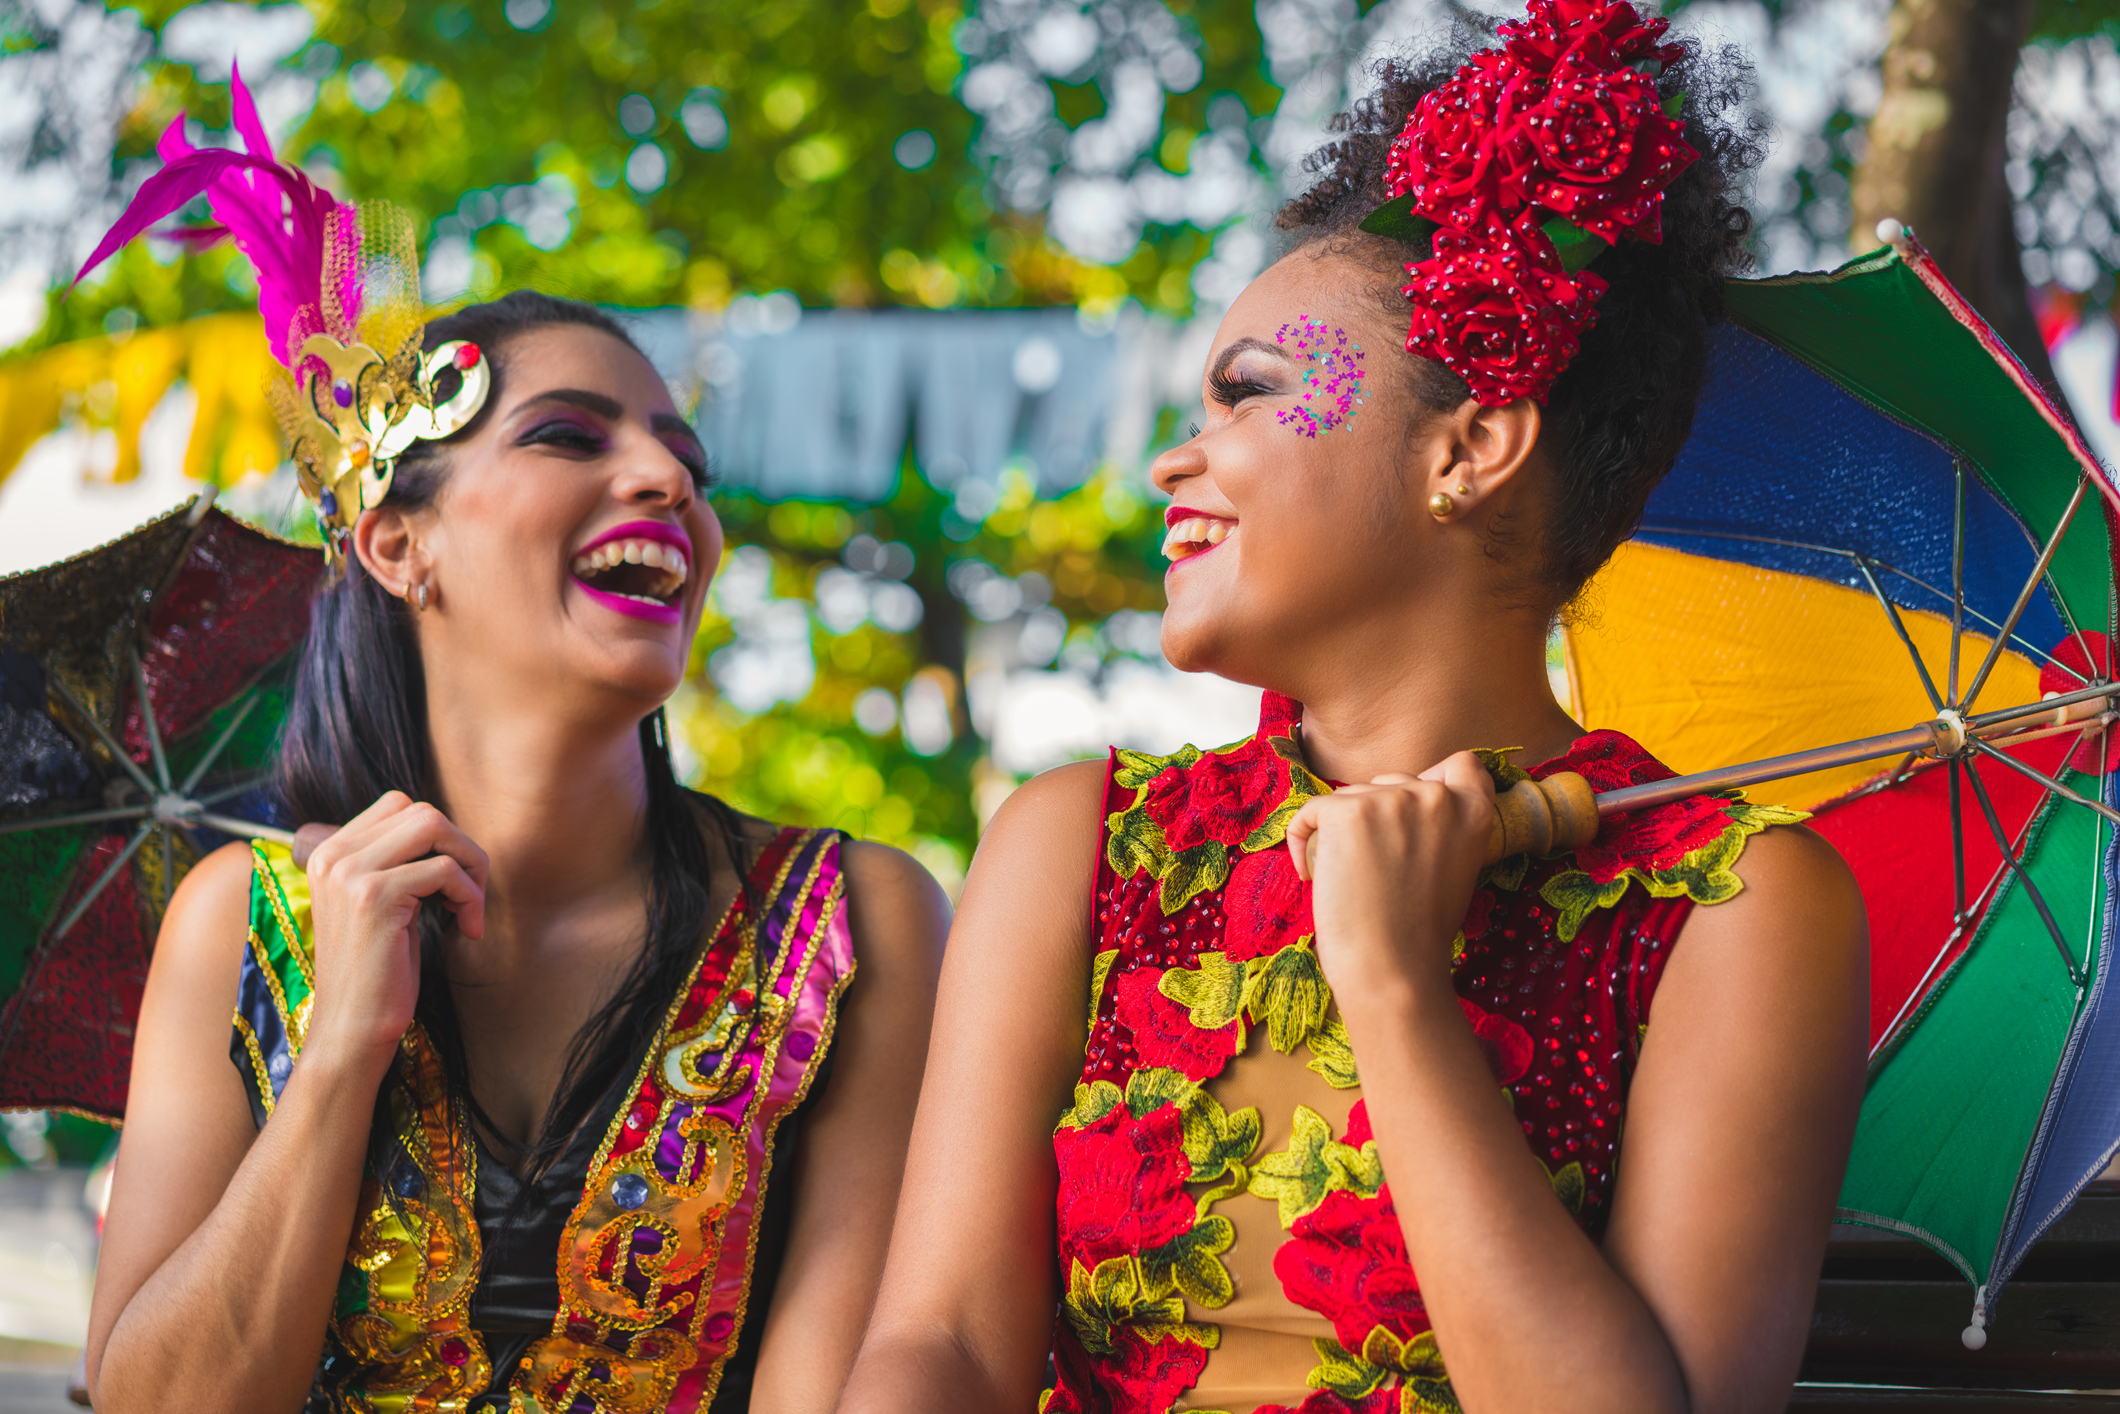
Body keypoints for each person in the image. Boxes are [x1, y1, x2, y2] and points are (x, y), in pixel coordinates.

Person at [842, 5, 1869, 1412]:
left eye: (1249, 396)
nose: (1171, 463)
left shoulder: (1739, 903)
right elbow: (942, 1342)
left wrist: (1390, 986)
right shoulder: (1078, 844)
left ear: (1473, 443)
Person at [79, 75, 947, 1414]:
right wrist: (338, 1057)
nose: (671, 486)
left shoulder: (851, 923)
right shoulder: (239, 928)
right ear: (397, 544)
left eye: (687, 461)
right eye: (567, 438)